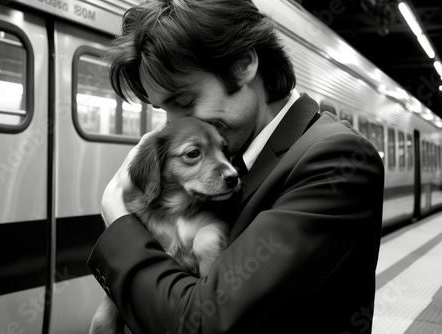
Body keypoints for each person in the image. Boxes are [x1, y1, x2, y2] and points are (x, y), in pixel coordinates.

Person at [87, 0, 385, 333]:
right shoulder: (231, 158)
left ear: (243, 64)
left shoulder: (336, 159)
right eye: (165, 111)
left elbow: (205, 322)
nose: (174, 123)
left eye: (184, 101)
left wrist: (118, 217)